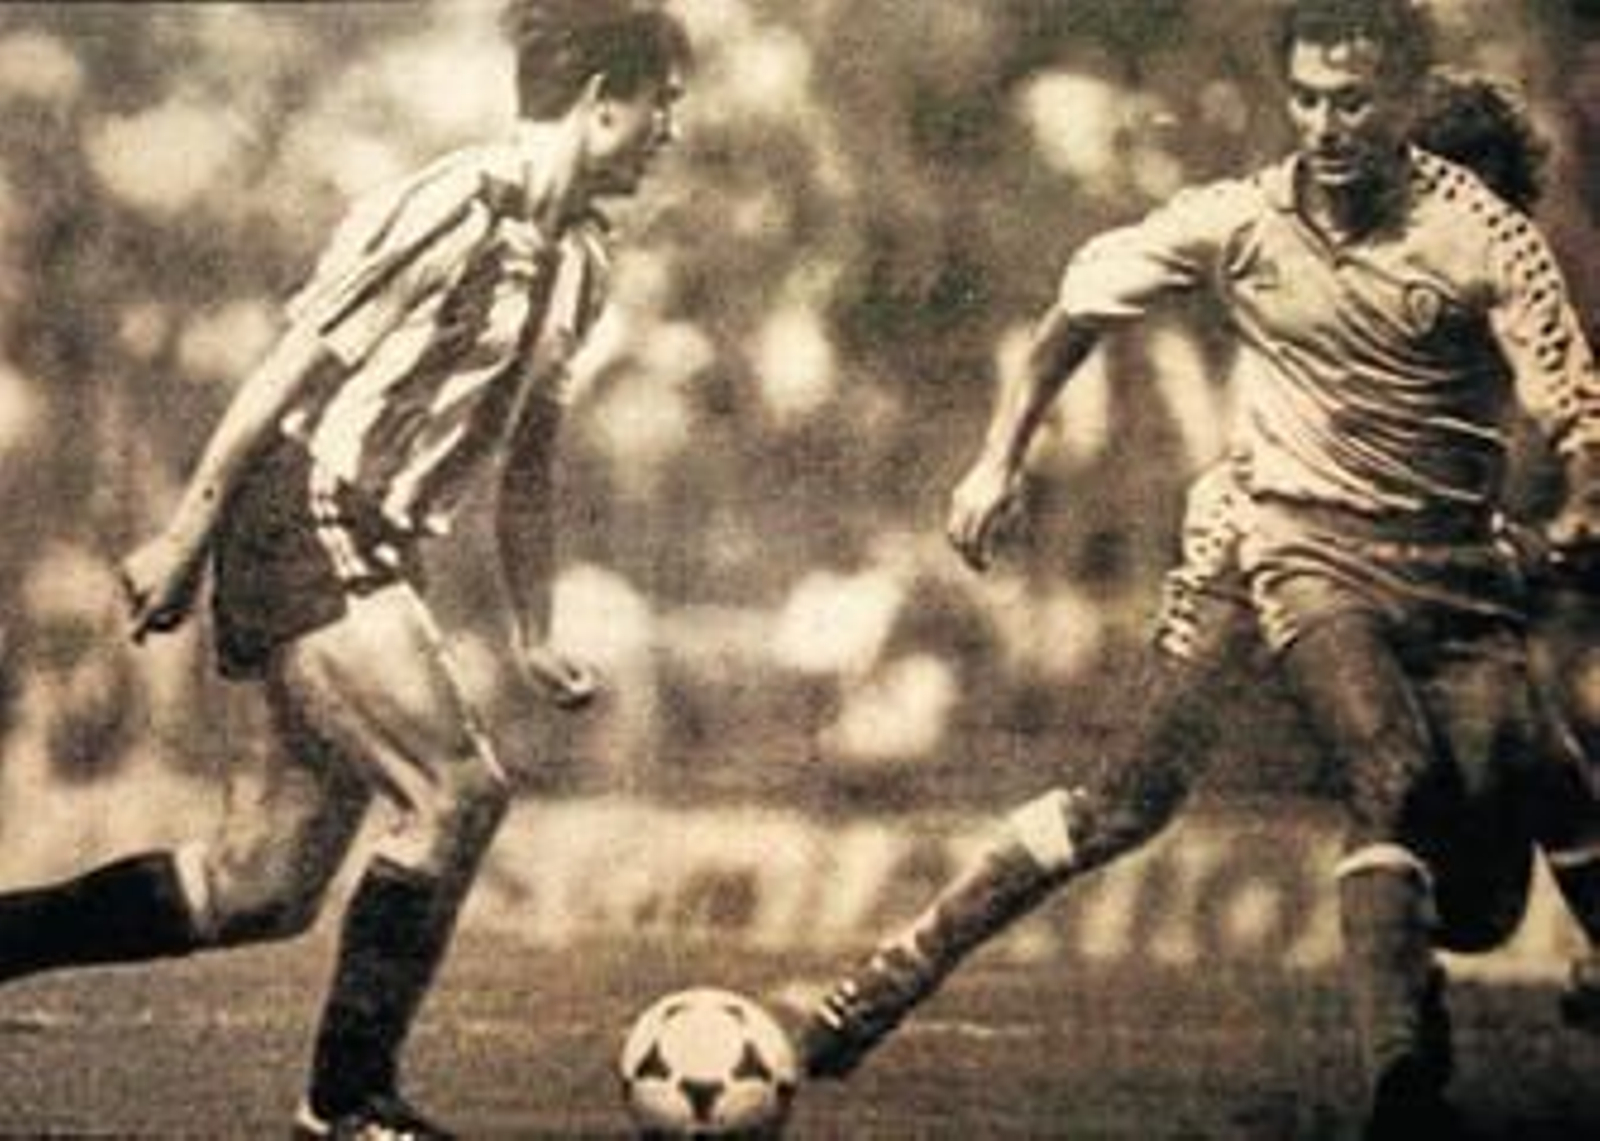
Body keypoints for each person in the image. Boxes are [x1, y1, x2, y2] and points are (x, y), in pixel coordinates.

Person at [793, 3, 1600, 1137]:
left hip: (1417, 564)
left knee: (1515, 805)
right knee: (1134, 799)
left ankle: (1424, 1000)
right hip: (1263, 542)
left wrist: (1554, 529)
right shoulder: (1271, 224)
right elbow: (1089, 308)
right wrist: (996, 462)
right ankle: (888, 977)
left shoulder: (1489, 268)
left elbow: (1550, 441)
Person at [0, 3, 689, 1138]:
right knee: (456, 790)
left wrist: (533, 628)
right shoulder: (454, 202)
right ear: (599, 99)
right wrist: (185, 532)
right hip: (304, 509)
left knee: (256, 888)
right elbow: (288, 367)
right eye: (661, 102)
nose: (670, 129)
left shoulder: (583, 262)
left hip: (373, 542)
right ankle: (347, 1107)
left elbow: (528, 458)